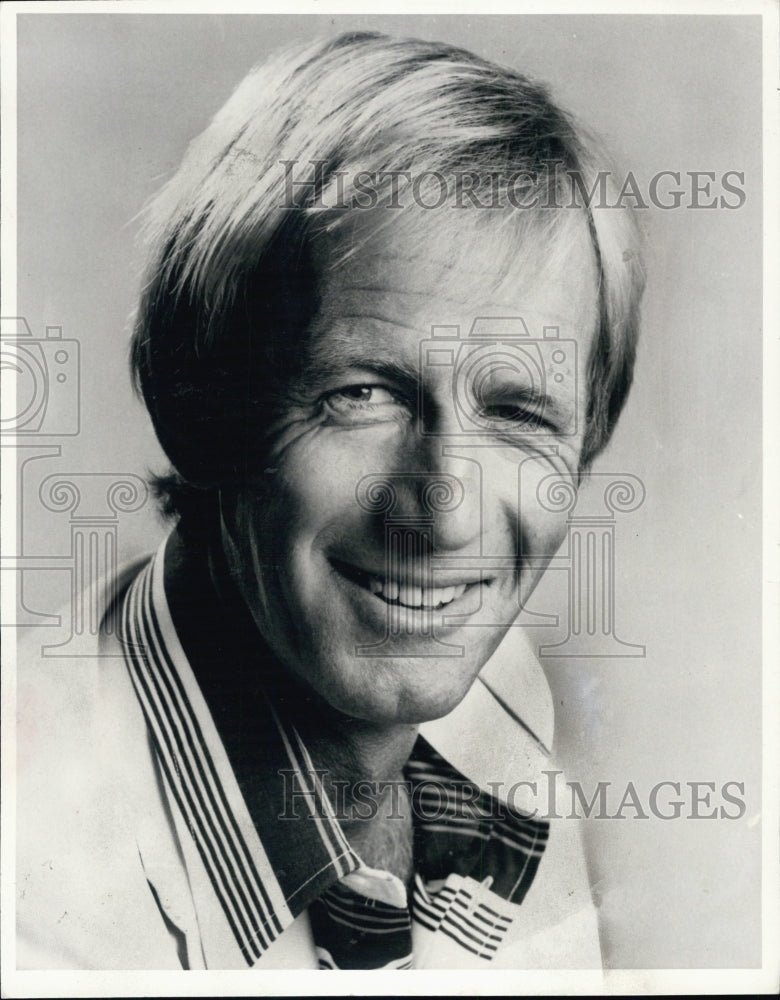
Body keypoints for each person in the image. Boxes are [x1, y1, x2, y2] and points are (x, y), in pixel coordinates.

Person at [16, 31, 644, 970]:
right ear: (208, 410)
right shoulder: (27, 869)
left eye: (518, 412)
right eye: (362, 395)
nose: (445, 515)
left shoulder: (498, 707)